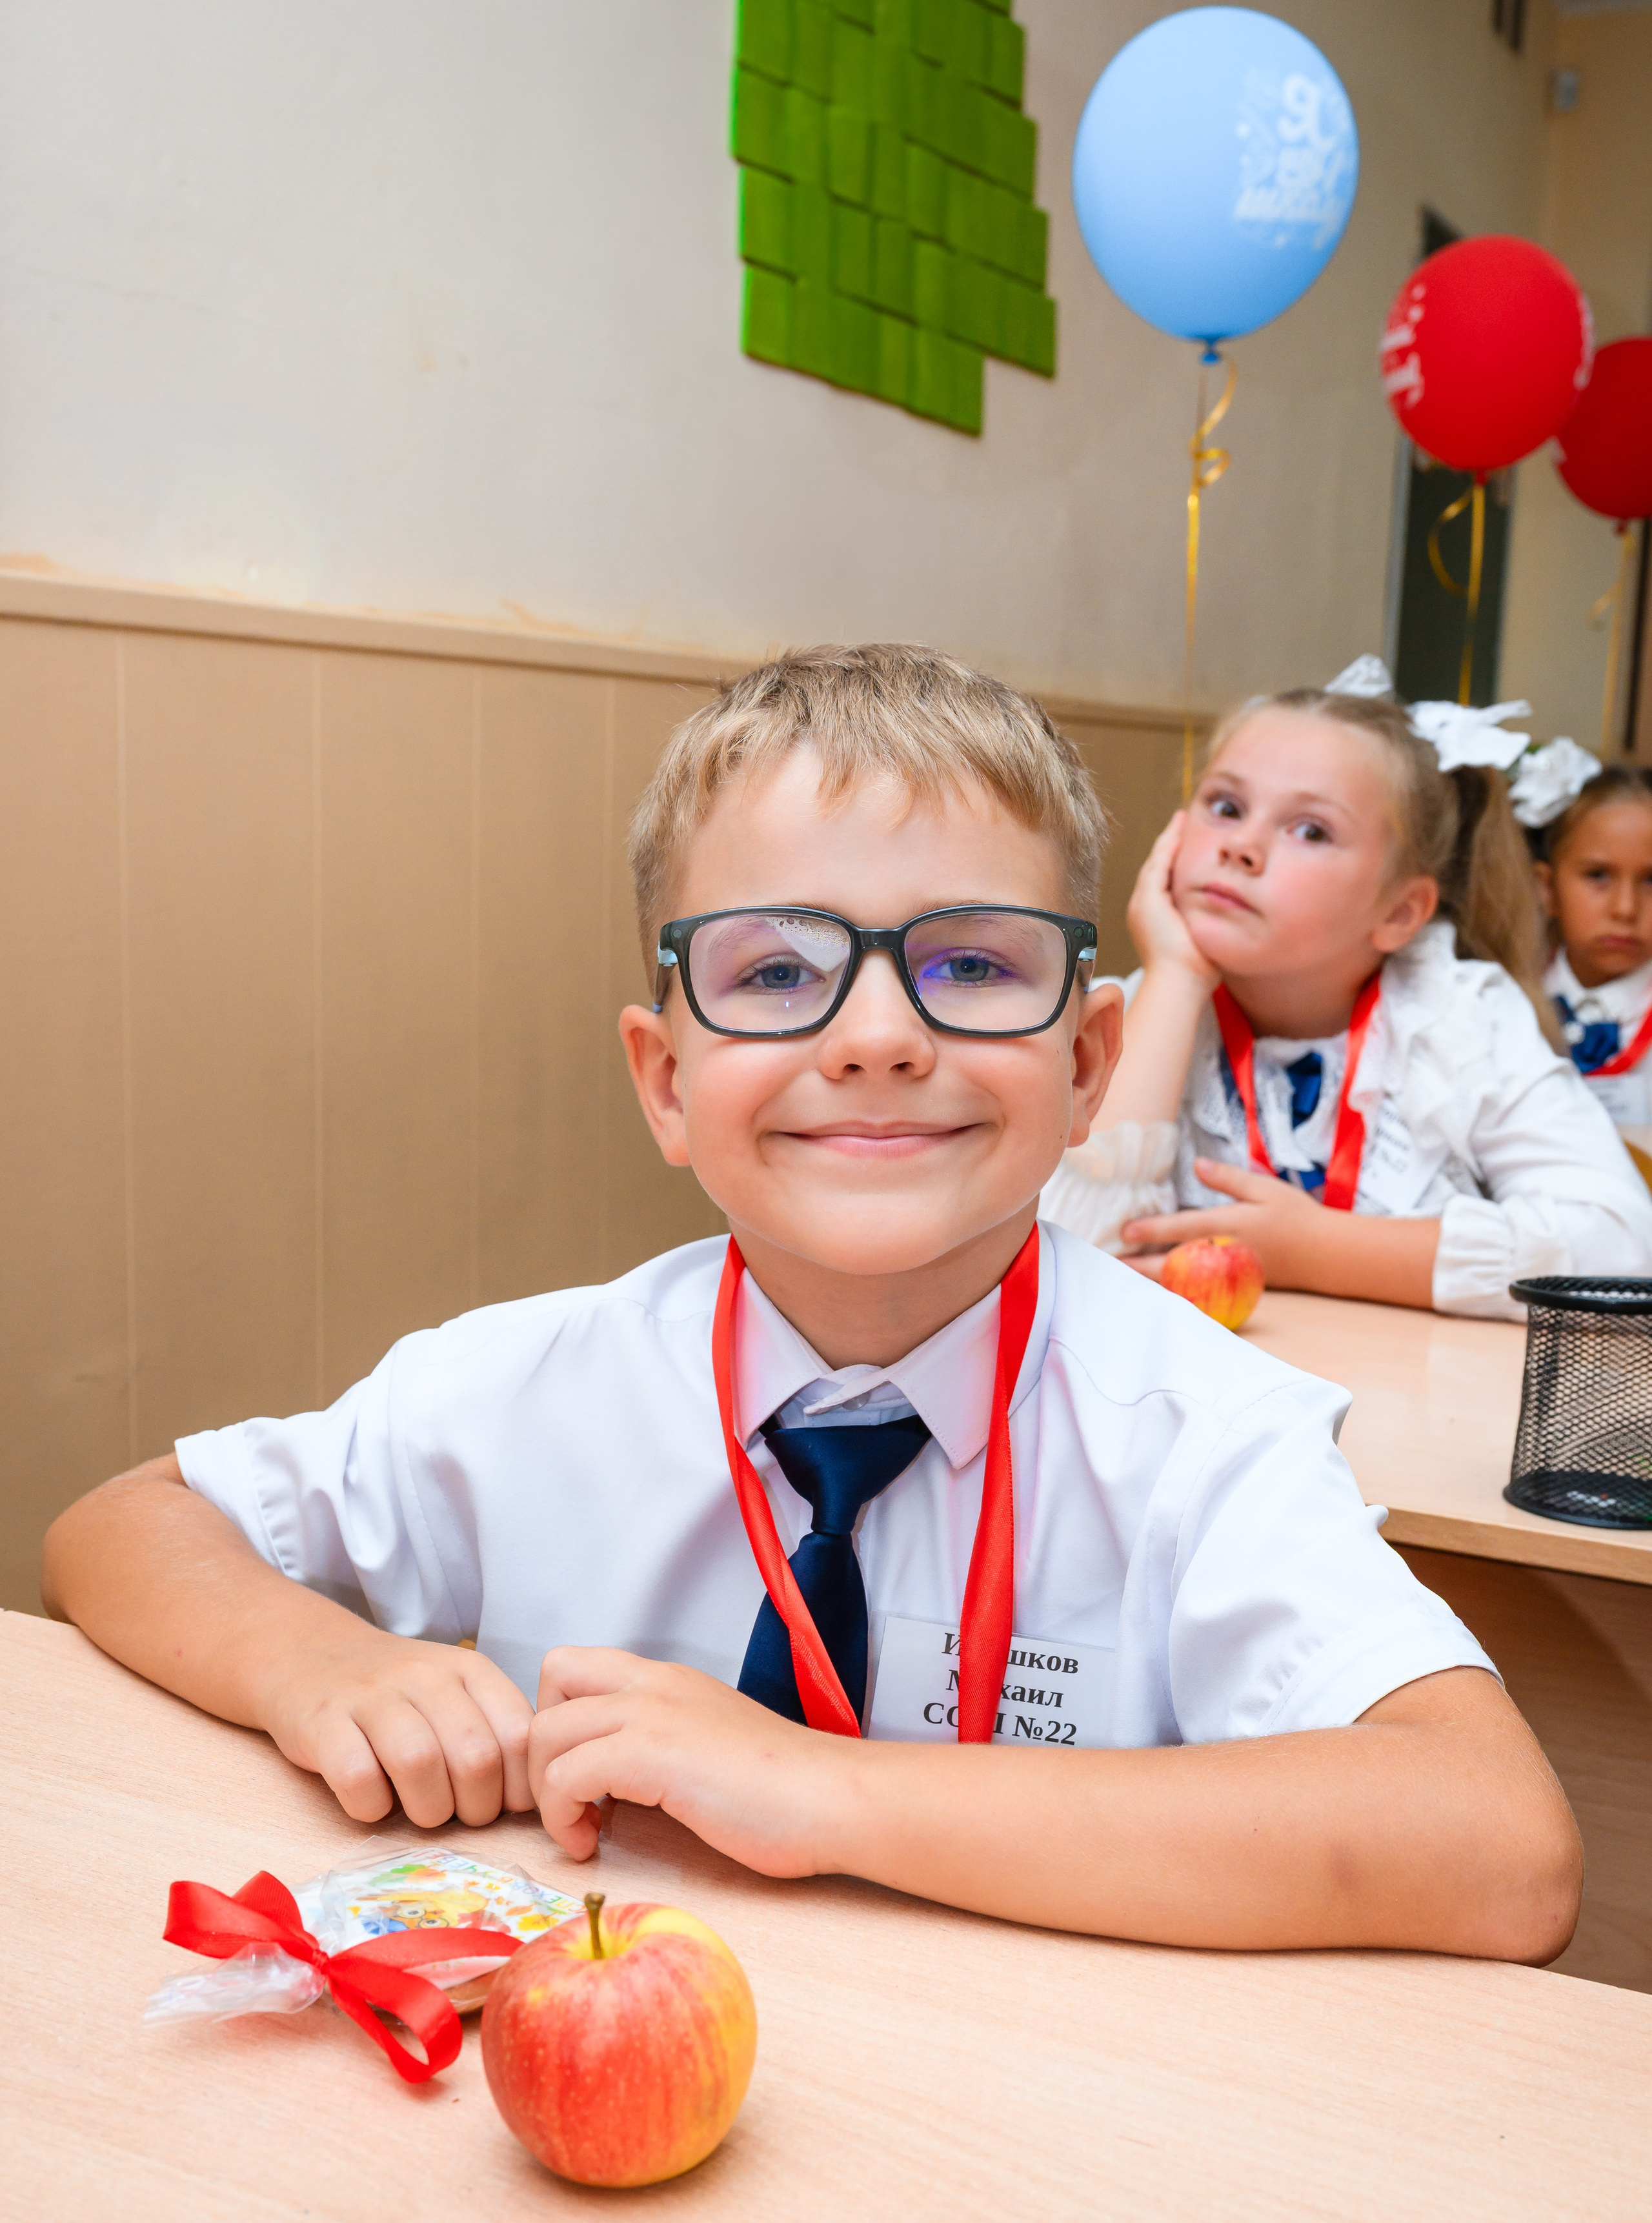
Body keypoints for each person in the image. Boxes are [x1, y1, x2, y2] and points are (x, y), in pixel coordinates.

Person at [43, 643, 1579, 1962]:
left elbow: (1498, 1843)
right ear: (664, 1079)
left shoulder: (1193, 1433)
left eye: (969, 963)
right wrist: (319, 1663)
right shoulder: (528, 1383)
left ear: (1087, 1066)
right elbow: (119, 1525)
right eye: (774, 975)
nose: (872, 1035)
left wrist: (820, 1790)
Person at [1042, 666, 1652, 1319]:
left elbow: (1621, 1249)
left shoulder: (1458, 1016)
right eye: (1225, 807)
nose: (1241, 846)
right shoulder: (1143, 1009)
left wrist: (1317, 1249)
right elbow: (1062, 1258)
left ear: (1397, 912)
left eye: (1310, 830)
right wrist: (1176, 977)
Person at [1534, 764, 1652, 1139]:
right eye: (1598, 875)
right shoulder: (1510, 998)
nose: (1626, 909)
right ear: (1547, 889)